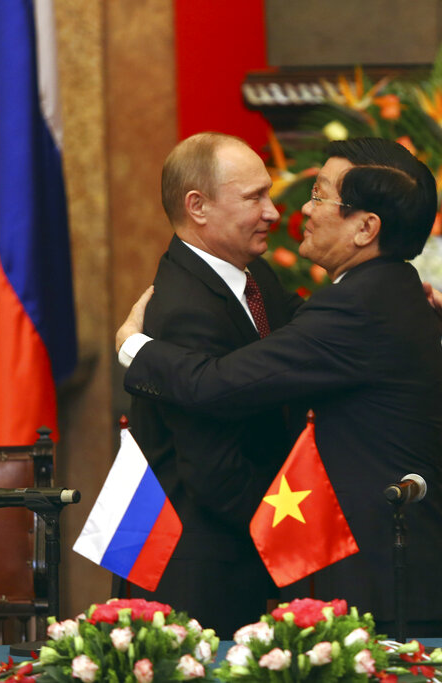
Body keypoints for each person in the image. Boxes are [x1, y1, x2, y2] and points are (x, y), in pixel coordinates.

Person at [119, 137, 442, 636]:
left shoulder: (360, 302)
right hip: (208, 569)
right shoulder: (380, 292)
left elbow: (217, 385)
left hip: (385, 585)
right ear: (198, 207)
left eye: (319, 196)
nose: (288, 211)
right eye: (255, 197)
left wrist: (133, 347)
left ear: (366, 228)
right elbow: (213, 462)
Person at [120, 132, 300, 638]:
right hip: (201, 582)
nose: (273, 212)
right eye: (254, 198)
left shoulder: (254, 274)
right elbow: (213, 472)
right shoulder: (183, 308)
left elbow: (306, 333)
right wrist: (284, 541)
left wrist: (392, 300)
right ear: (197, 206)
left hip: (232, 561)